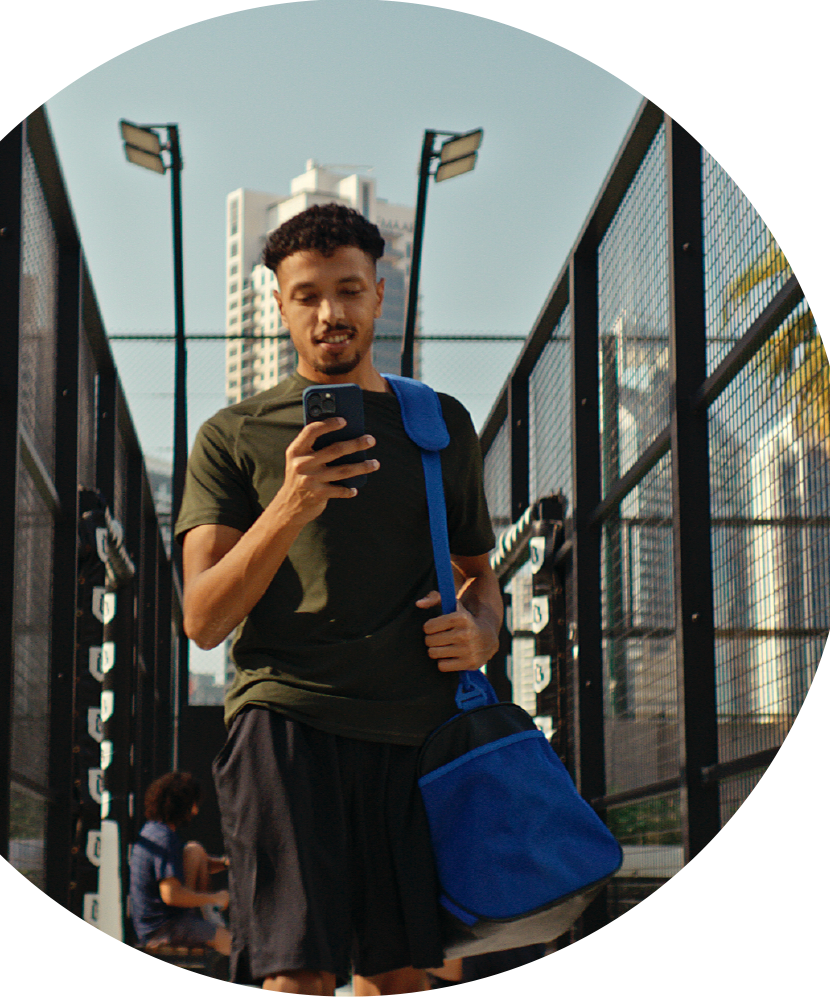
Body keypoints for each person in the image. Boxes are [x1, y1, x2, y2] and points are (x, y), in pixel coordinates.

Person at [176, 202, 501, 995]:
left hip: (414, 730)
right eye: (309, 295)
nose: (331, 314)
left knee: (401, 976)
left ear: (379, 296)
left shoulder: (438, 424)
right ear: (279, 304)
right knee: (296, 974)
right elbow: (204, 618)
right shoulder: (234, 435)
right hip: (284, 721)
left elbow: (480, 580)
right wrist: (289, 503)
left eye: (350, 291)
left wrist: (482, 634)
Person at [128, 771, 232, 959]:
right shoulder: (164, 839)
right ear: (180, 804)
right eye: (193, 805)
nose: (195, 811)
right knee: (233, 945)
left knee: (194, 850)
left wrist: (226, 863)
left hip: (165, 922)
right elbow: (170, 895)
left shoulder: (154, 831)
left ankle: (208, 915)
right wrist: (213, 898)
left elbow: (188, 864)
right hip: (163, 929)